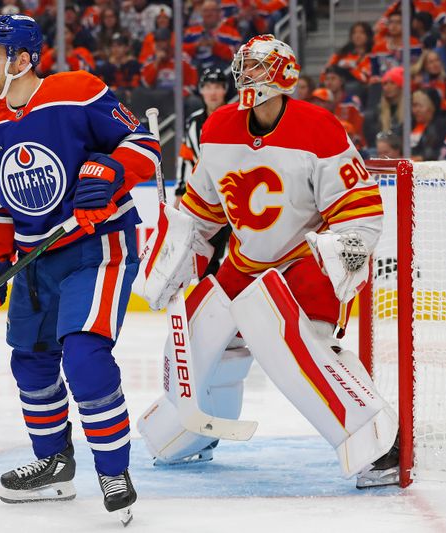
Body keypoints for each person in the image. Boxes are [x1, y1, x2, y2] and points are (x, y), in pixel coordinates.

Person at [136, 34, 400, 489]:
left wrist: (342, 259)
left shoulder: (319, 127)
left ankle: (375, 438)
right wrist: (177, 258)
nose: (246, 75)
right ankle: (188, 432)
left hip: (304, 263)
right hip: (244, 263)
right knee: (194, 333)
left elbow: (360, 213)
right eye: (245, 65)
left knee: (284, 343)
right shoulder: (217, 128)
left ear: (284, 75)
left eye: (258, 67)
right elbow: (201, 216)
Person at [0, 14, 160, 524]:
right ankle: (53, 462)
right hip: (33, 261)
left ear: (24, 58)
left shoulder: (77, 91)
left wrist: (111, 170)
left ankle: (113, 471)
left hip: (97, 246)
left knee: (83, 353)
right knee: (29, 361)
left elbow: (143, 145)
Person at [173, 67, 234, 278]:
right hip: (208, 198)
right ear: (201, 91)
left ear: (225, 90)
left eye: (217, 86)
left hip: (236, 195)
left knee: (243, 252)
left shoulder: (238, 116)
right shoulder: (194, 122)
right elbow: (185, 156)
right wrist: (181, 190)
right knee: (209, 255)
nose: (213, 92)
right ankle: (210, 300)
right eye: (208, 87)